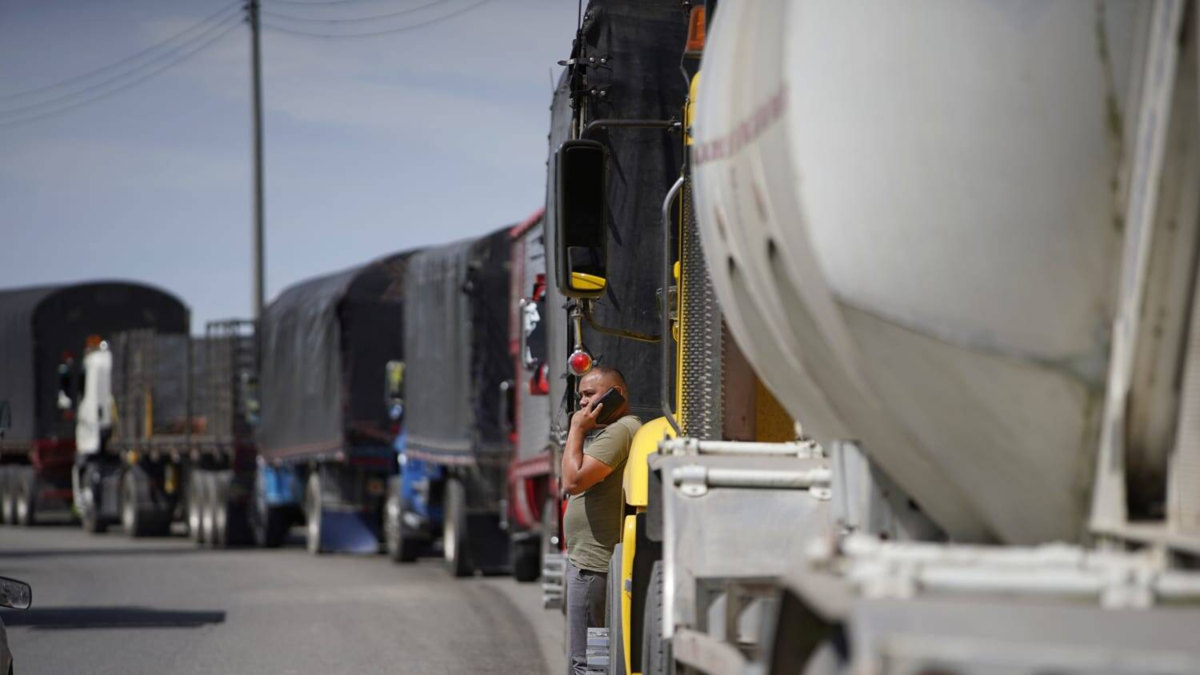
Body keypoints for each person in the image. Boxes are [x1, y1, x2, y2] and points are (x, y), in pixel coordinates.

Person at [561, 365, 642, 675]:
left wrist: (576, 430)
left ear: (615, 394)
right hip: (588, 562)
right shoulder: (616, 431)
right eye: (580, 395)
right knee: (592, 658)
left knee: (588, 663)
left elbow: (573, 481)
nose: (582, 402)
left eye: (589, 394)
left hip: (592, 565)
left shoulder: (621, 430)